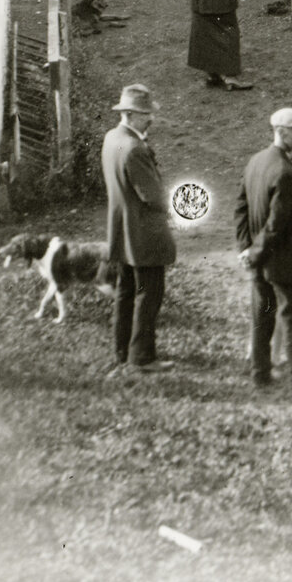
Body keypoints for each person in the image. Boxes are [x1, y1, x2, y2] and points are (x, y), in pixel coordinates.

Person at [235, 107, 292, 391]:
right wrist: (255, 252)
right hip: (282, 261)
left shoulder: (256, 161)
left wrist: (246, 250)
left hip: (260, 260)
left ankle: (260, 375)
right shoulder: (285, 173)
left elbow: (241, 208)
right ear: (281, 132)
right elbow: (276, 225)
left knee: (262, 317)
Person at [102, 84, 175, 375]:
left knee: (125, 293)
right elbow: (153, 196)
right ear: (130, 115)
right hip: (145, 236)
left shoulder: (111, 139)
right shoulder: (135, 149)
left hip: (121, 232)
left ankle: (122, 351)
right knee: (148, 296)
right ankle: (142, 358)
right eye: (145, 115)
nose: (151, 119)